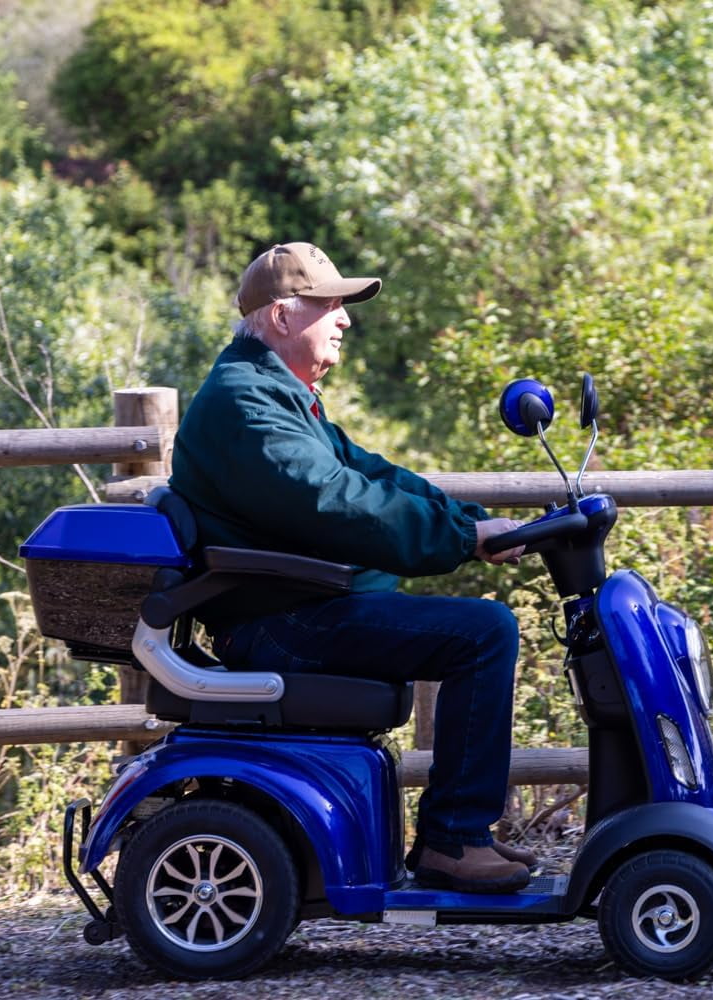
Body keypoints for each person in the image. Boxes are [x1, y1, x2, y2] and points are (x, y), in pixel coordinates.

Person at [169, 241, 535, 894]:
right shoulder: (246, 404)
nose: (343, 318)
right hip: (281, 621)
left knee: (480, 628)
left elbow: (370, 473)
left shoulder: (277, 393)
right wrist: (460, 536)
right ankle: (453, 840)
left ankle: (456, 834)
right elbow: (334, 502)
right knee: (484, 633)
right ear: (282, 315)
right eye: (329, 304)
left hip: (297, 607)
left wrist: (468, 522)